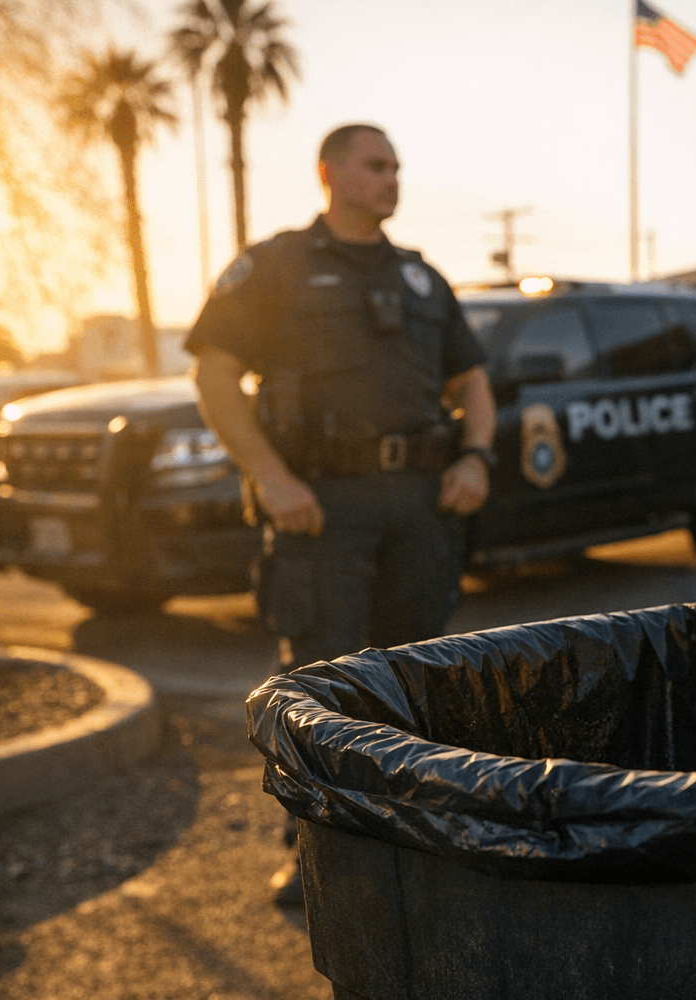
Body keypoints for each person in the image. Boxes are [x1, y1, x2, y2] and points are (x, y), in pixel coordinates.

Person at [184, 123, 496, 904]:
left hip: (419, 507)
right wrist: (270, 476)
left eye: (397, 166)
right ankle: (316, 852)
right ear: (330, 173)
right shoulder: (276, 266)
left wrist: (476, 456)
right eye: (376, 165)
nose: (393, 178)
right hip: (320, 508)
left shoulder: (422, 278)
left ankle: (414, 843)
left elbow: (474, 380)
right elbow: (214, 374)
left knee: (421, 682)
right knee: (318, 689)